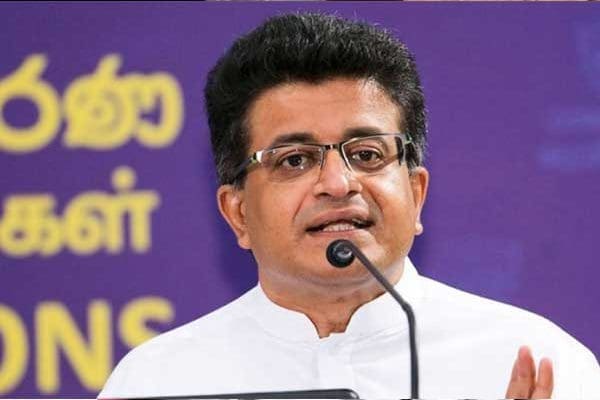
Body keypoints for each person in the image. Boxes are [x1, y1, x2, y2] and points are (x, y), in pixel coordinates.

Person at [99, 12, 600, 400]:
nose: (338, 184)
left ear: (416, 194)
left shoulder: (537, 363)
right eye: (294, 160)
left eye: (366, 155)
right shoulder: (158, 382)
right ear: (238, 213)